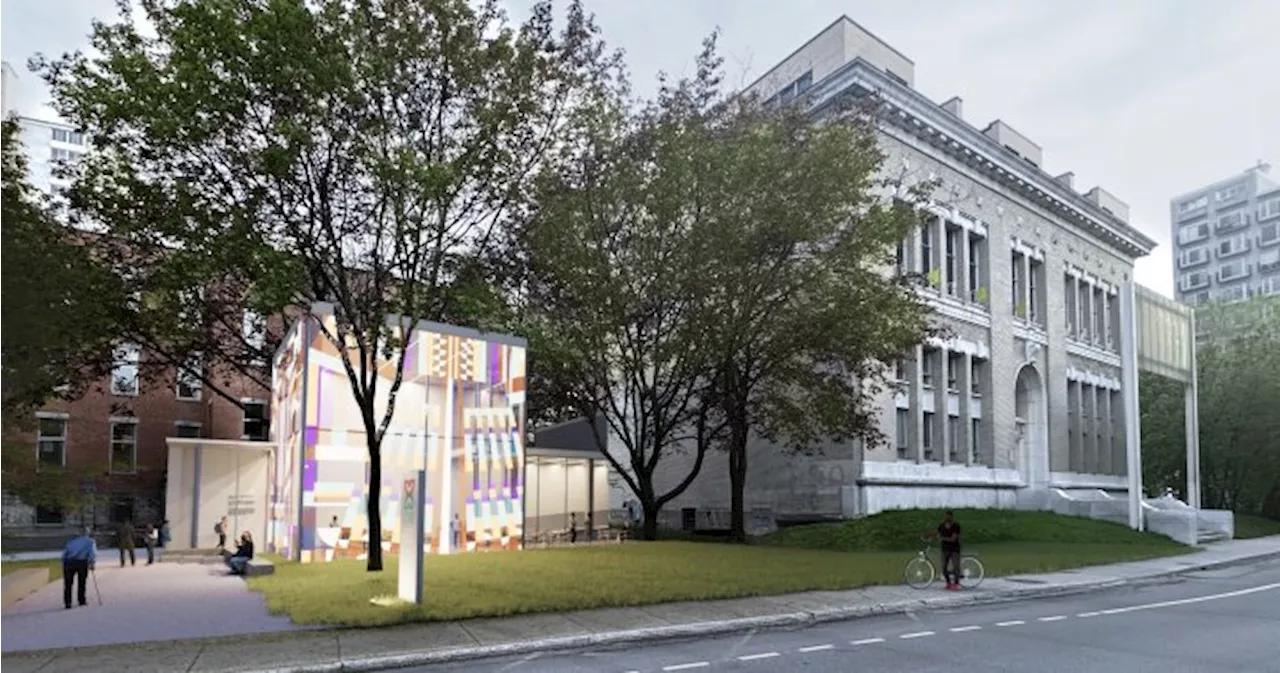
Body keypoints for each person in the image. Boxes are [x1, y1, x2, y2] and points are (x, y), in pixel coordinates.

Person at [61, 527, 97, 609]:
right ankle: (81, 600)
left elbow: (65, 553)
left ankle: (68, 602)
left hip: (69, 562)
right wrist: (92, 563)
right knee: (82, 582)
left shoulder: (71, 541)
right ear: (87, 533)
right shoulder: (90, 542)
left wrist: (63, 562)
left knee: (68, 584)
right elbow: (92, 553)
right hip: (82, 562)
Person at [928, 510, 963, 591]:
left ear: (951, 517)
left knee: (955, 567)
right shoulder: (942, 526)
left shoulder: (956, 526)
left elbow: (953, 539)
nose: (946, 518)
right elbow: (936, 533)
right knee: (944, 567)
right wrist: (929, 537)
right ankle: (948, 582)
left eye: (948, 516)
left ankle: (956, 583)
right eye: (945, 516)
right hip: (945, 549)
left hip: (955, 549)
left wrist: (942, 538)